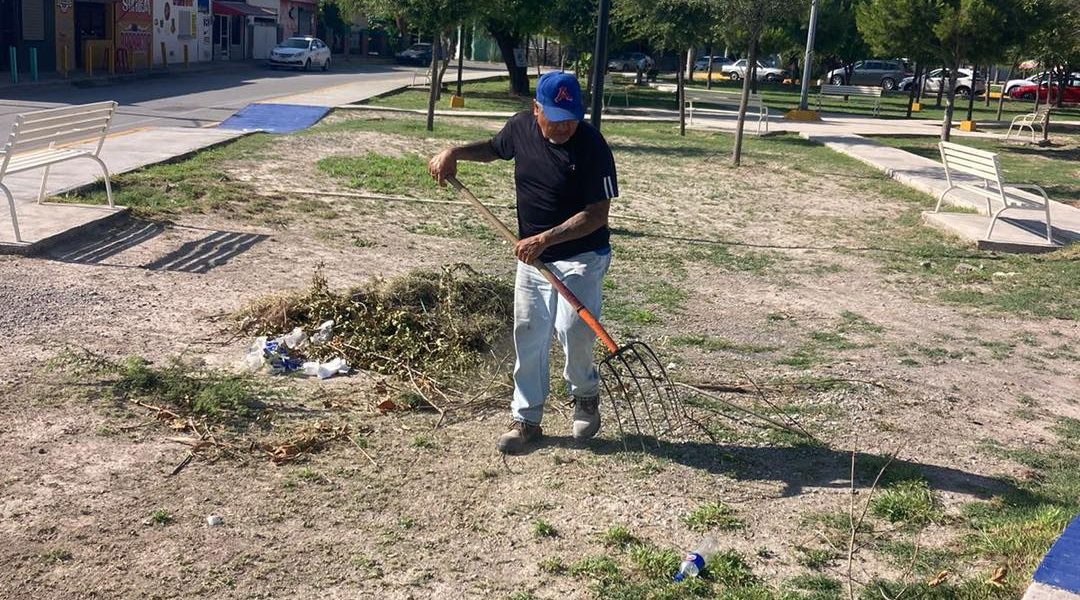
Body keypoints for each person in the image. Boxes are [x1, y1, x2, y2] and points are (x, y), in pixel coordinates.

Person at [428, 72, 618, 454]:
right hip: (533, 260)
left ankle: (585, 394)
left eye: (570, 118)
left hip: (581, 256)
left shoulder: (593, 145)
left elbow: (597, 215)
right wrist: (454, 152)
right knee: (529, 333)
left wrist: (546, 239)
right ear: (536, 110)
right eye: (555, 118)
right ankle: (526, 420)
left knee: (573, 329)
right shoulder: (520, 128)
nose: (564, 127)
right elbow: (494, 148)